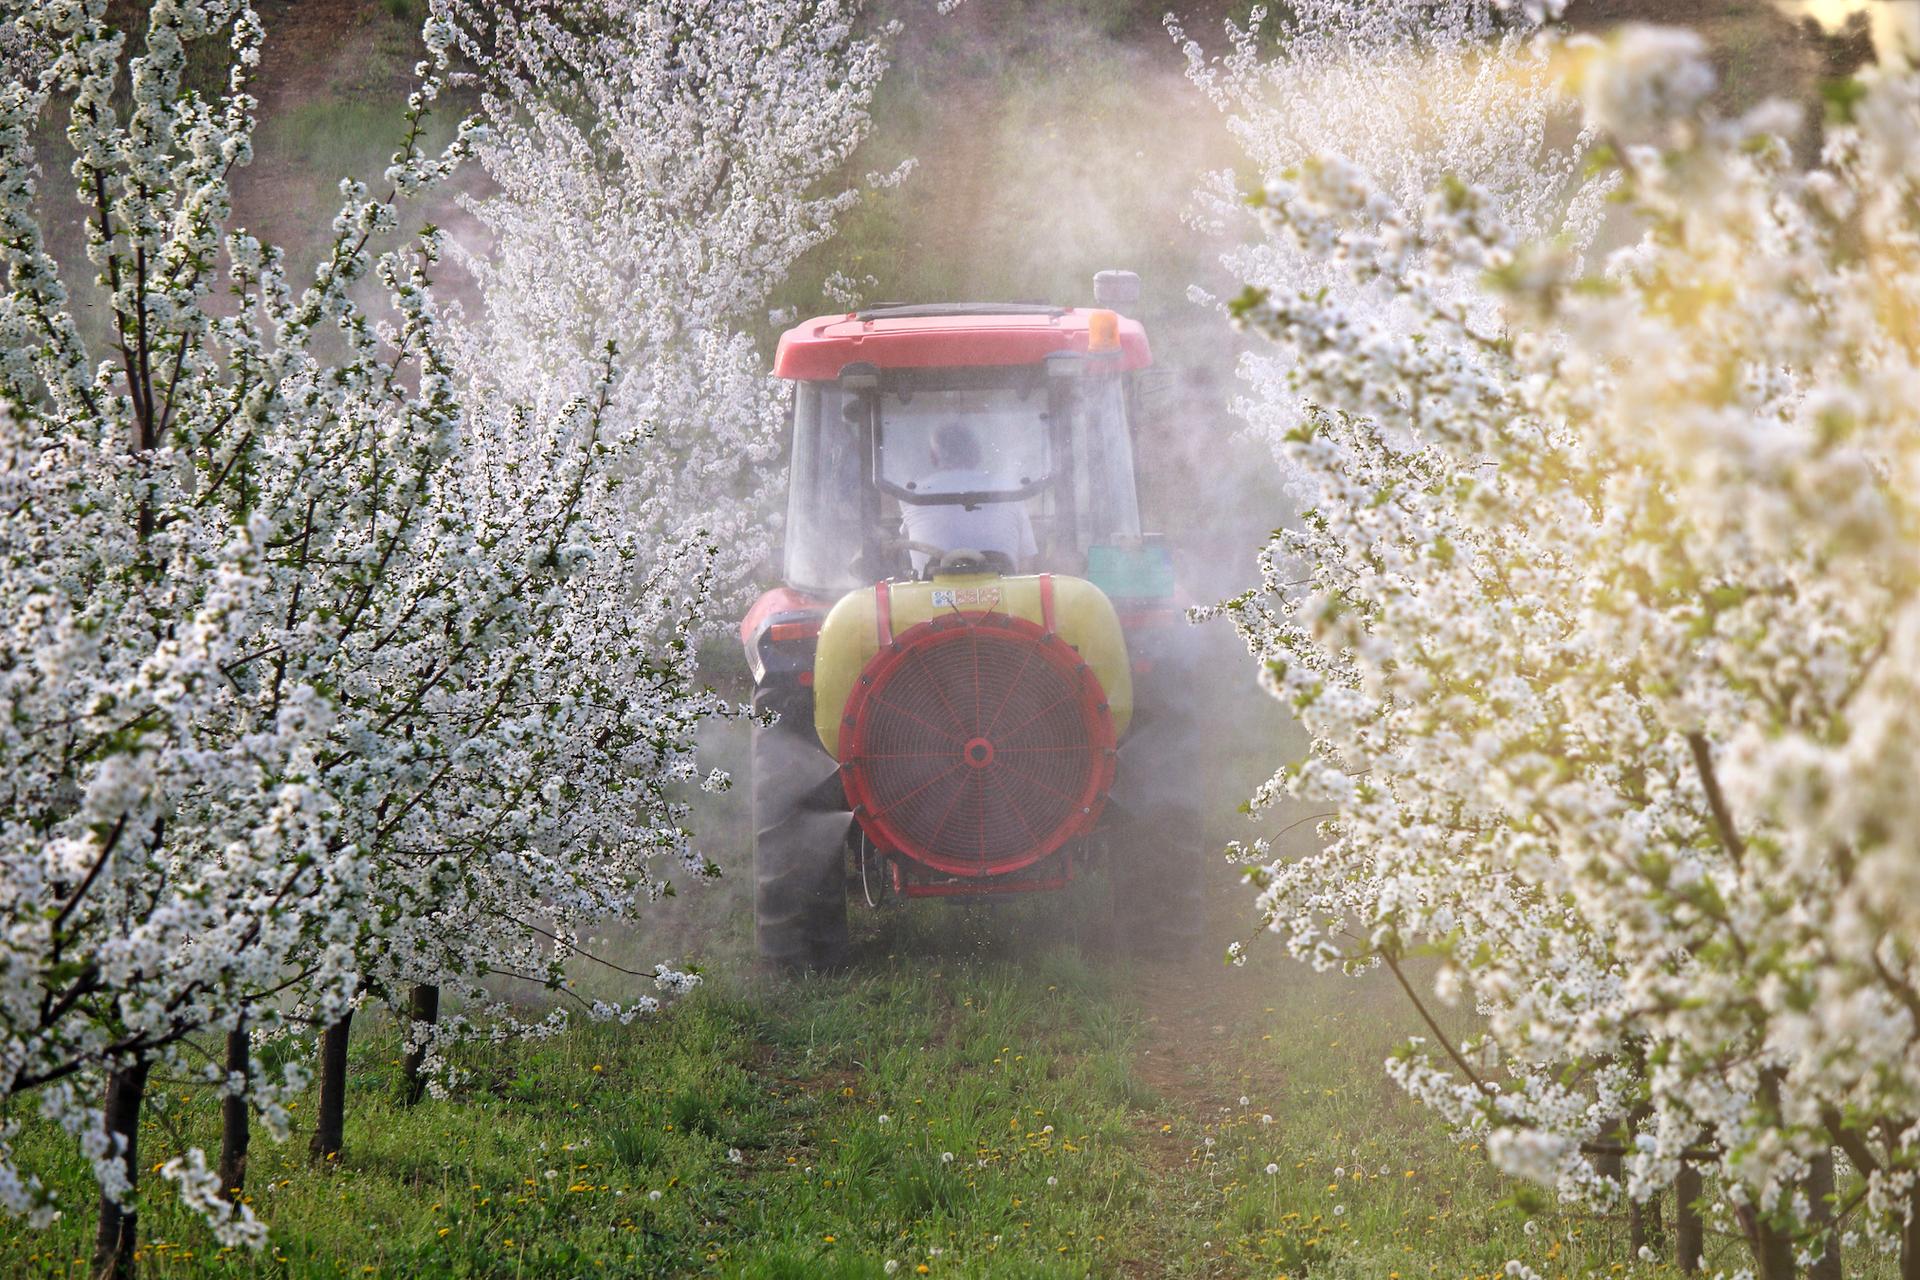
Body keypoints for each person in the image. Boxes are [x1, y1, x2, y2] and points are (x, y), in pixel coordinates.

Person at [899, 420, 1037, 575]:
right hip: (1005, 588)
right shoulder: (1009, 489)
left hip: (928, 589)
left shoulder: (911, 495)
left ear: (933, 457)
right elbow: (1027, 562)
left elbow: (906, 545)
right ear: (976, 453)